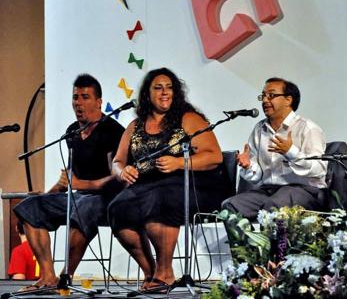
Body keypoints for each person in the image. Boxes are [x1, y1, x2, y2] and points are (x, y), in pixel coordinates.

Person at [108, 67, 225, 291]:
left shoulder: (188, 119)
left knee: (158, 199)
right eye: (158, 88)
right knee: (117, 209)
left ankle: (165, 272)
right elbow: (117, 161)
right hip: (147, 187)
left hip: (190, 187)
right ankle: (151, 270)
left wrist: (179, 162)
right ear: (147, 94)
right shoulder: (135, 126)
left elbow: (214, 156)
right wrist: (123, 171)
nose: (165, 92)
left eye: (169, 88)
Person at [14, 74, 125, 290]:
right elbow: (70, 177)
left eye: (85, 97)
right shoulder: (72, 132)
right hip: (77, 196)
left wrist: (83, 185)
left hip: (105, 199)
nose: (78, 103)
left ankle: (66, 276)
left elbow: (116, 178)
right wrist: (49, 193)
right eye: (75, 97)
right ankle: (48, 277)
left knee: (84, 206)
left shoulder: (113, 131)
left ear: (99, 101)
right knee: (29, 208)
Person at [222, 77, 327, 219]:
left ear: (288, 100)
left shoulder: (307, 128)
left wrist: (290, 152)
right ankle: (249, 242)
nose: (265, 100)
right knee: (230, 207)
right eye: (263, 96)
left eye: (271, 95)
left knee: (274, 206)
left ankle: (274, 242)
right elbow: (258, 175)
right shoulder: (259, 129)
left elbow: (320, 169)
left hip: (303, 191)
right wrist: (248, 166)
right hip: (268, 191)